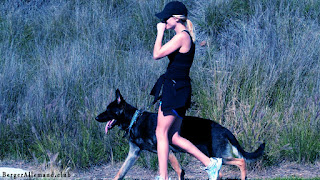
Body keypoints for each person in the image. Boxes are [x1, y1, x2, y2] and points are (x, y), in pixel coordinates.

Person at [150, 1, 222, 180]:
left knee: (160, 133)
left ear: (176, 18)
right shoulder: (183, 35)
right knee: (173, 136)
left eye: (166, 18)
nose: (163, 21)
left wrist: (159, 33)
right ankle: (210, 163)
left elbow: (157, 54)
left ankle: (163, 177)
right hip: (178, 88)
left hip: (174, 89)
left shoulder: (182, 36)